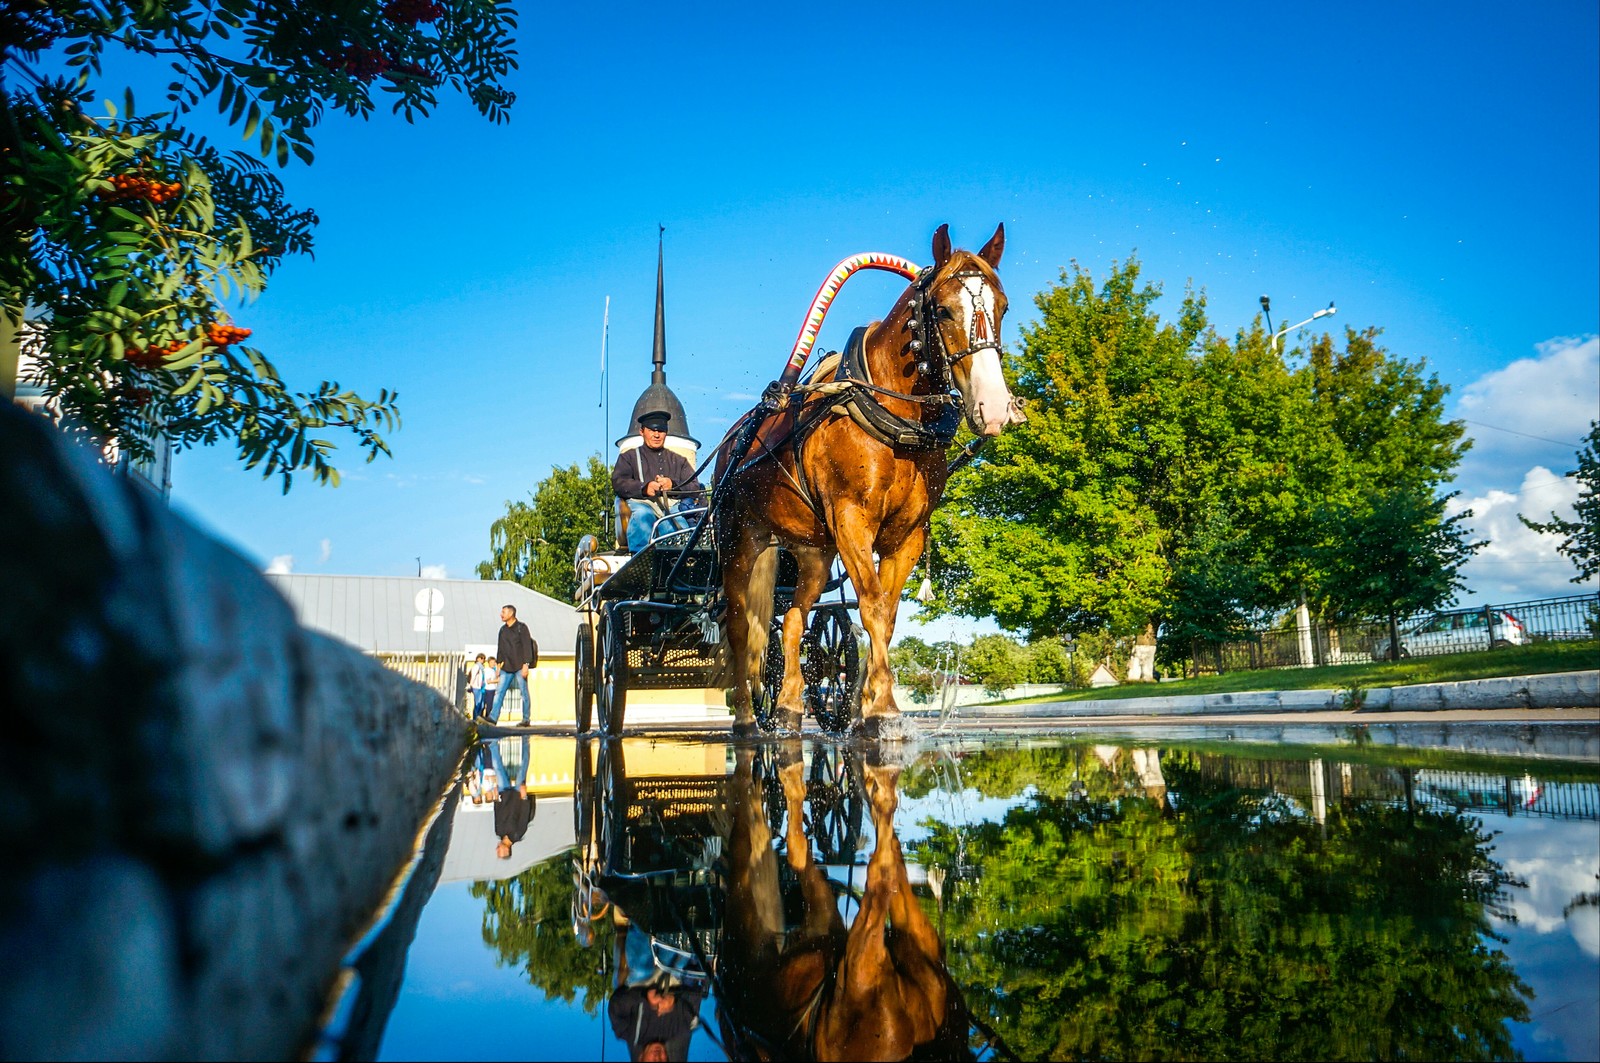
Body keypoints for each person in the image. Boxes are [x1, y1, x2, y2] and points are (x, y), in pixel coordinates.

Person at [612, 409, 704, 553]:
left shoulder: (679, 460)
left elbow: (695, 487)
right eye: (652, 430)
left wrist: (673, 486)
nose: (656, 434)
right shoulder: (628, 457)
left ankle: (681, 562)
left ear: (666, 433)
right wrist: (644, 488)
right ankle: (639, 559)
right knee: (643, 516)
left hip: (672, 507)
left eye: (661, 430)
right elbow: (618, 482)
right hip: (641, 503)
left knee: (678, 526)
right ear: (642, 431)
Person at [608, 978, 704, 1062]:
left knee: (640, 971)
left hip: (642, 977)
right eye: (662, 1061)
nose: (657, 1058)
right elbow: (694, 1001)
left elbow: (616, 1005)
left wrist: (645, 997)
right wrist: (673, 999)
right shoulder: (678, 1030)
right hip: (676, 973)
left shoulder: (627, 1033)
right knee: (690, 975)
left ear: (640, 1058)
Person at [491, 606, 537, 725]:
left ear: (511, 613)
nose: (501, 614)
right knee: (499, 692)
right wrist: (498, 666)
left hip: (520, 667)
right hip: (506, 667)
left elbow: (527, 647)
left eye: (504, 612)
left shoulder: (522, 628)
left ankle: (526, 719)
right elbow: (500, 648)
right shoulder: (502, 630)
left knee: (524, 693)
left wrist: (526, 664)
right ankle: (493, 718)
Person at [466, 653, 493, 722]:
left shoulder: (482, 667)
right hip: (476, 687)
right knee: (478, 704)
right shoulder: (476, 666)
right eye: (481, 658)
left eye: (484, 658)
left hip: (481, 687)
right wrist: (470, 685)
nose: (483, 660)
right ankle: (475, 719)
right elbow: (473, 676)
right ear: (478, 658)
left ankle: (479, 718)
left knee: (482, 705)